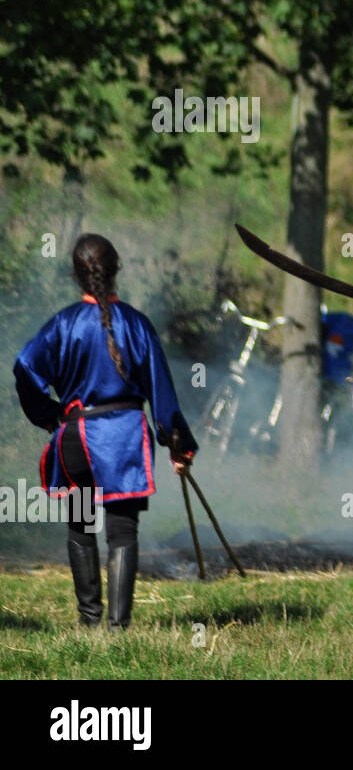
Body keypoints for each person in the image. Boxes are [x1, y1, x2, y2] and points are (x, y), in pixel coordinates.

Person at [13, 234, 197, 629]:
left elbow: (24, 366)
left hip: (76, 438)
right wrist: (178, 445)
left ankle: (89, 619)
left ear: (75, 274)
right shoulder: (137, 324)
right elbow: (161, 394)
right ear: (116, 270)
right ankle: (117, 628)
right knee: (122, 531)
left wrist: (48, 415)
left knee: (81, 526)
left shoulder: (63, 324)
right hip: (123, 440)